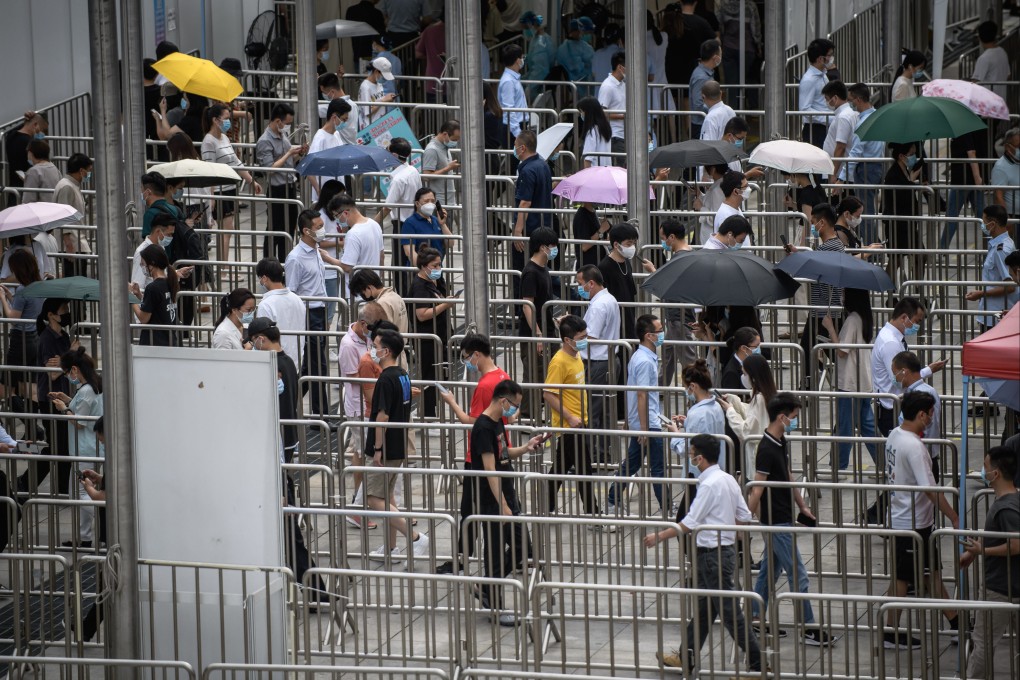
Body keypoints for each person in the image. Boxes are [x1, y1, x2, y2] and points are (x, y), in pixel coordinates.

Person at [644, 433, 763, 674]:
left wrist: (658, 537)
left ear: (700, 457)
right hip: (718, 552)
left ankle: (758, 664)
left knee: (730, 613)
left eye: (691, 454)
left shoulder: (709, 484)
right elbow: (744, 515)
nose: (690, 458)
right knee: (704, 610)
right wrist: (731, 531)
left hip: (712, 555)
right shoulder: (728, 479)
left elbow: (689, 522)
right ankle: (686, 655)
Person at [747, 393, 834, 646]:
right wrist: (742, 519)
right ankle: (808, 627)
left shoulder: (780, 440)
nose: (795, 422)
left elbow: (788, 476)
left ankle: (754, 619)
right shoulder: (765, 449)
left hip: (783, 517)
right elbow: (757, 489)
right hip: (775, 522)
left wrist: (802, 505)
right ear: (782, 417)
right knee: (798, 573)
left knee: (769, 571)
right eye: (794, 417)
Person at [882, 391, 961, 650]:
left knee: (927, 575)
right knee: (909, 579)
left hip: (906, 519)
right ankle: (892, 631)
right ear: (921, 415)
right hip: (912, 523)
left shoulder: (895, 434)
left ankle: (956, 622)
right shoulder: (914, 446)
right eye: (931, 413)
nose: (932, 418)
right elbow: (930, 488)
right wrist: (953, 515)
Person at [436, 333, 512, 575]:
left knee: (475, 509)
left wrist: (451, 401)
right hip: (499, 449)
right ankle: (523, 553)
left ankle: (464, 558)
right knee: (502, 505)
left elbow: (473, 421)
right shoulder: (503, 376)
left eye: (467, 358)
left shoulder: (485, 385)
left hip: (479, 456)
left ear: (477, 355)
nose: (466, 363)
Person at [470, 379, 543, 624]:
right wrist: (502, 505)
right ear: (503, 401)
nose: (515, 410)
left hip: (506, 495)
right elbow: (490, 469)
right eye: (515, 405)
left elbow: (502, 454)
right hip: (492, 500)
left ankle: (487, 586)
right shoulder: (482, 427)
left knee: (524, 547)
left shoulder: (498, 422)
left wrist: (526, 447)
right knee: (493, 550)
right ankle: (494, 604)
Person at [364, 328, 430, 563]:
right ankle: (390, 548)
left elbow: (382, 417)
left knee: (372, 497)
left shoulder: (385, 378)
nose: (373, 349)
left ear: (387, 350)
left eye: (376, 345)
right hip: (399, 443)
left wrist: (377, 449)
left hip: (386, 446)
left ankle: (414, 537)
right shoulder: (402, 374)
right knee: (388, 497)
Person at [959, 445, 1020, 680]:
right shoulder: (1012, 500)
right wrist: (976, 551)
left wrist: (982, 550)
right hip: (1008, 586)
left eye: (985, 467)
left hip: (1000, 589)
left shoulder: (1006, 508)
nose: (982, 472)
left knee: (982, 644)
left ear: (996, 473)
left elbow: (1016, 544)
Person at [606, 314, 666, 515]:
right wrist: (643, 428)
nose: (662, 334)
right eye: (659, 331)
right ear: (649, 335)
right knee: (657, 468)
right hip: (647, 422)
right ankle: (666, 506)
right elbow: (641, 394)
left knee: (633, 462)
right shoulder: (644, 362)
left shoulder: (641, 357)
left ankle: (613, 498)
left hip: (644, 420)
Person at [543, 315, 601, 518]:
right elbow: (548, 393)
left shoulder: (576, 356)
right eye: (582, 337)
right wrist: (569, 417)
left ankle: (546, 505)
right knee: (584, 469)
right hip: (570, 425)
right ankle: (593, 512)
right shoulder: (559, 362)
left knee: (561, 467)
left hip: (579, 421)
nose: (586, 340)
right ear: (568, 340)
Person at [49, 348, 103, 547]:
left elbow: (80, 421)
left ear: (74, 369)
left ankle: (108, 519)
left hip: (85, 450)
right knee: (77, 494)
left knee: (81, 494)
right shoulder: (90, 387)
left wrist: (64, 410)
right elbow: (83, 410)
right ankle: (85, 537)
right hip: (85, 448)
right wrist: (67, 400)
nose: (67, 376)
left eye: (66, 372)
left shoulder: (88, 389)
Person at [20, 298, 73, 496]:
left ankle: (59, 489)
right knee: (57, 447)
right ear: (51, 315)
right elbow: (52, 373)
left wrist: (65, 359)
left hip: (63, 396)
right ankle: (27, 481)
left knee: (61, 446)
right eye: (63, 309)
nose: (67, 313)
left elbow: (63, 368)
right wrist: (70, 356)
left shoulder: (64, 336)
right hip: (49, 398)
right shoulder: (47, 338)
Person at [201, 104, 262, 259]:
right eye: (226, 119)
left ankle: (224, 266)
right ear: (216, 120)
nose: (229, 122)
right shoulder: (209, 141)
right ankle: (223, 267)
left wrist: (251, 181)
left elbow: (236, 162)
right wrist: (212, 197)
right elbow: (209, 171)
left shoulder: (224, 138)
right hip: (220, 191)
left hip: (229, 188)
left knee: (228, 229)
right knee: (225, 230)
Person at [285, 210, 329, 417]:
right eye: (318, 227)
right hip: (308, 315)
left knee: (311, 367)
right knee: (317, 367)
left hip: (319, 311)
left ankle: (288, 404)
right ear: (306, 231)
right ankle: (320, 414)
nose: (322, 230)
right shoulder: (296, 258)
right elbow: (291, 292)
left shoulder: (316, 251)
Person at [796, 203, 845, 387]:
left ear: (822, 223)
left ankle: (808, 385)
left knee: (815, 348)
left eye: (814, 222)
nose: (813, 226)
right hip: (825, 308)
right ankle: (808, 383)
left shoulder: (826, 249)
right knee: (812, 346)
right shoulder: (836, 244)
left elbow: (821, 276)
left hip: (823, 309)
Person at [576, 265, 620, 463]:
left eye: (580, 284)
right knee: (605, 413)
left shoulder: (599, 305)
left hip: (598, 362)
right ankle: (603, 453)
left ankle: (590, 456)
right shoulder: (609, 299)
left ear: (591, 283)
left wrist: (570, 333)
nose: (579, 288)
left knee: (592, 412)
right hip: (609, 360)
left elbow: (590, 337)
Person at [407, 247, 456, 418]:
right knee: (430, 377)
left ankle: (433, 410)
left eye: (439, 265)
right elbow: (421, 315)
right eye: (434, 266)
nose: (438, 269)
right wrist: (445, 305)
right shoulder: (419, 286)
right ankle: (428, 414)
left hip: (441, 336)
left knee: (441, 374)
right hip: (427, 339)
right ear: (423, 266)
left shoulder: (436, 281)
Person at [833, 288, 878, 470]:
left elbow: (842, 351)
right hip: (863, 381)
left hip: (850, 383)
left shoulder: (852, 319)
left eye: (844, 293)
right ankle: (883, 462)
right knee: (867, 426)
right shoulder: (865, 318)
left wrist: (830, 328)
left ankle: (840, 466)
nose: (842, 296)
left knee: (846, 426)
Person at [836, 83, 884, 245]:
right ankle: (873, 247)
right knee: (868, 211)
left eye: (851, 100)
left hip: (865, 169)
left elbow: (855, 152)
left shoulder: (863, 123)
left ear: (858, 100)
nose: (850, 104)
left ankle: (872, 253)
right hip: (876, 167)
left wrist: (841, 178)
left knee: (864, 213)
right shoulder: (877, 116)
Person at [256, 103, 304, 264]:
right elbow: (270, 168)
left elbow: (287, 162)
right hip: (277, 189)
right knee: (275, 229)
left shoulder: (282, 136)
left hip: (289, 186)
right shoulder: (265, 141)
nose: (287, 127)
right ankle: (268, 264)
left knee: (289, 227)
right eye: (287, 123)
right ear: (278, 121)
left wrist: (298, 153)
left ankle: (285, 262)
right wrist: (290, 152)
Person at [668, 360, 728, 485]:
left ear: (693, 387)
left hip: (699, 476)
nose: (685, 391)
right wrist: (687, 422)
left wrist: (675, 434)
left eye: (685, 387)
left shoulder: (698, 414)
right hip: (715, 470)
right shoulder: (716, 406)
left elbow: (688, 449)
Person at [717, 354, 777, 474]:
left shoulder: (759, 399)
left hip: (757, 456)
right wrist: (734, 401)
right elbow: (752, 413)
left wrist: (730, 411)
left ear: (753, 377)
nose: (743, 377)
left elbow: (746, 430)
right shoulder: (766, 394)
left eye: (745, 374)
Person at [0, 251, 44, 411]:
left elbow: (13, 318)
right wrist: (11, 297)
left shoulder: (22, 289)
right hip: (35, 338)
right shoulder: (38, 286)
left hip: (20, 340)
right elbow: (28, 309)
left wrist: (3, 299)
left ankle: (29, 426)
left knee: (6, 387)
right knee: (30, 388)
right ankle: (33, 429)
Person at [511, 130, 554, 290]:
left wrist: (517, 232)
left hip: (530, 229)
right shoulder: (543, 164)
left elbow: (525, 203)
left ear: (522, 148)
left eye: (515, 146)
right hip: (543, 225)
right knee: (541, 269)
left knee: (522, 272)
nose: (514, 149)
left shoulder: (528, 170)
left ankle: (520, 309)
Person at [965, 205, 1018, 327]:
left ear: (992, 224)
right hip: (993, 313)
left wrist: (981, 293)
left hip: (997, 316)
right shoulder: (1002, 243)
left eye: (984, 222)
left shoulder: (1002, 250)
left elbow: (1010, 286)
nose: (982, 225)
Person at [657, 221, 696, 385]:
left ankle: (698, 391)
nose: (663, 242)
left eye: (663, 238)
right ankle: (660, 387)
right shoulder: (688, 255)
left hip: (679, 316)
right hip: (677, 315)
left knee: (688, 361)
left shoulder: (680, 259)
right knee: (668, 352)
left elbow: (672, 286)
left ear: (672, 237)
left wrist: (654, 272)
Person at [518, 227, 557, 388]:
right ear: (543, 247)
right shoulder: (531, 272)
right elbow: (528, 305)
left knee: (550, 373)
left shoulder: (543, 269)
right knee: (535, 376)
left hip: (547, 328)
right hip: (536, 333)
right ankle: (528, 413)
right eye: (553, 246)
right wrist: (538, 334)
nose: (555, 250)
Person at [376, 138, 422, 266]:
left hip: (401, 224)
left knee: (399, 263)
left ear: (394, 155)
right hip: (414, 220)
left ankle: (401, 286)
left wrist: (371, 223)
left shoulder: (398, 179)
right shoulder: (413, 171)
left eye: (387, 151)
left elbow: (387, 207)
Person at [255, 258, 306, 370]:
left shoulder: (266, 304)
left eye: (260, 279)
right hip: (296, 362)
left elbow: (263, 338)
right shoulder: (297, 299)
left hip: (276, 364)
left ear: (264, 278)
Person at [334, 194, 385, 299]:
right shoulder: (374, 224)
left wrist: (327, 258)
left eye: (337, 216)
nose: (337, 220)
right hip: (373, 289)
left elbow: (347, 266)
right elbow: (382, 256)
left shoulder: (353, 234)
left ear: (345, 213)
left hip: (356, 293)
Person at [129, 244, 179, 347]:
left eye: (143, 264)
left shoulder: (152, 288)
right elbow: (157, 305)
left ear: (151, 264)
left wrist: (130, 296)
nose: (143, 267)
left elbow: (143, 318)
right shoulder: (169, 281)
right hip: (169, 341)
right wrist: (139, 295)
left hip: (155, 343)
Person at [717, 0, 762, 109]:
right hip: (747, 48)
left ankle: (733, 109)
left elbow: (720, 26)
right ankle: (753, 108)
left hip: (729, 47)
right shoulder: (750, 5)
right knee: (749, 78)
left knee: (731, 82)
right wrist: (758, 45)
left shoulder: (724, 5)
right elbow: (755, 28)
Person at [671, 2, 715, 110]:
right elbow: (716, 42)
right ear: (695, 2)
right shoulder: (701, 22)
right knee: (689, 99)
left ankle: (679, 125)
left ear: (680, 2)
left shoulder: (673, 22)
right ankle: (688, 126)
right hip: (693, 65)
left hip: (673, 66)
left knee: (675, 98)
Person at [400, 187, 451, 267]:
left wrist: (443, 224)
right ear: (417, 203)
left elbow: (450, 243)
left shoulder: (435, 220)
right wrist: (423, 269)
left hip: (436, 269)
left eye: (433, 201)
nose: (430, 204)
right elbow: (409, 252)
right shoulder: (410, 223)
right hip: (420, 272)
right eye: (426, 201)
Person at [799, 39, 835, 148]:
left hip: (825, 126)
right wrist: (828, 118)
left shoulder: (823, 74)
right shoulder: (809, 80)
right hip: (815, 129)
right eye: (829, 55)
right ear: (820, 58)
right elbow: (805, 109)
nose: (831, 58)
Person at [349, 269, 409, 335]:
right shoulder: (395, 296)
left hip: (390, 343)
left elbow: (385, 331)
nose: (364, 296)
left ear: (369, 288)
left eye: (363, 293)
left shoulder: (382, 303)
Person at [821, 80, 857, 182]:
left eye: (827, 99)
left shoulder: (843, 117)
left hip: (840, 173)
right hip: (842, 172)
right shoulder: (849, 113)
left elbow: (841, 147)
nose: (826, 103)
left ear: (835, 98)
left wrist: (833, 173)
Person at [421, 120, 461, 207]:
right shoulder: (432, 150)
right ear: (445, 134)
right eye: (454, 139)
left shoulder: (444, 147)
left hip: (448, 199)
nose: (456, 142)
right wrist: (448, 168)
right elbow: (426, 176)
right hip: (439, 201)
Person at [597, 52, 627, 165]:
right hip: (615, 135)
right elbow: (601, 112)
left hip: (624, 134)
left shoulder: (622, 84)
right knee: (624, 169)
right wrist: (623, 116)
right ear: (620, 67)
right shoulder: (608, 86)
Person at [689, 40, 722, 140]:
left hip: (704, 123)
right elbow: (698, 104)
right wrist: (717, 110)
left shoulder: (706, 73)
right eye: (720, 54)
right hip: (701, 125)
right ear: (715, 57)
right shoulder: (701, 77)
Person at [4, 111, 46, 189]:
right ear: (36, 125)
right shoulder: (30, 143)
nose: (42, 133)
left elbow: (15, 129)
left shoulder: (11, 136)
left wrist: (26, 120)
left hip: (14, 183)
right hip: (28, 185)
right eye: (42, 129)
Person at [497, 45, 528, 146]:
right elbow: (508, 109)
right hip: (513, 129)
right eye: (522, 57)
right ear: (518, 60)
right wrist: (518, 134)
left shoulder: (512, 78)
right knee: (515, 161)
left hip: (516, 126)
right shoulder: (508, 81)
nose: (523, 60)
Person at [972, 21, 1011, 100]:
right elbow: (1008, 75)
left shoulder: (984, 58)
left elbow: (975, 83)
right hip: (1002, 99)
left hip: (988, 103)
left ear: (979, 37)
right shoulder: (1002, 52)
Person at [785, 174, 827, 245]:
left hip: (808, 234)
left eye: (790, 176)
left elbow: (808, 222)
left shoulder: (806, 194)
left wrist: (803, 244)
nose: (790, 180)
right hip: (819, 231)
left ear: (795, 175)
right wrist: (792, 204)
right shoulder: (818, 188)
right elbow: (813, 208)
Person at [519, 11, 554, 92]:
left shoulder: (540, 43)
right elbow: (534, 57)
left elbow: (539, 70)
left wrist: (529, 89)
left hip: (539, 85)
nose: (525, 31)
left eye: (526, 28)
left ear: (531, 25)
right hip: (539, 79)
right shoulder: (537, 39)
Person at [719, 326, 762, 391]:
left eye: (759, 345)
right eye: (756, 346)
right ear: (743, 348)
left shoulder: (753, 363)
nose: (758, 349)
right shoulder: (731, 373)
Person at [359, 57, 397, 128]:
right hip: (370, 127)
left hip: (380, 125)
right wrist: (384, 100)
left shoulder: (379, 84)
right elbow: (367, 112)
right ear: (376, 71)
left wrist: (386, 99)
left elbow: (379, 102)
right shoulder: (365, 87)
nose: (384, 78)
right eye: (383, 75)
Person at [571, 200, 610, 269]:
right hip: (588, 266)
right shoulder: (582, 216)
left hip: (596, 263)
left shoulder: (592, 212)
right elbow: (584, 246)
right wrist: (601, 230)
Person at [991, 128, 1018, 224]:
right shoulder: (1001, 167)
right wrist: (1006, 220)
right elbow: (998, 197)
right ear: (1007, 147)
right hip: (1014, 217)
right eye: (1018, 146)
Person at [556, 18, 595, 85]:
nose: (588, 35)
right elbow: (578, 71)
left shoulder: (565, 47)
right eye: (587, 32)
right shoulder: (569, 49)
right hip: (581, 87)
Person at [577, 97, 613, 168]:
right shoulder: (605, 128)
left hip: (594, 173)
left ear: (588, 112)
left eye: (581, 111)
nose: (581, 114)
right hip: (606, 170)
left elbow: (587, 159)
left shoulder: (592, 132)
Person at [591, 24, 623, 93]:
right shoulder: (623, 53)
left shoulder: (597, 53)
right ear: (619, 39)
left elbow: (593, 74)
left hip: (599, 97)